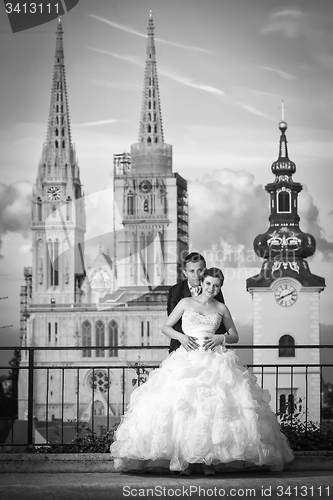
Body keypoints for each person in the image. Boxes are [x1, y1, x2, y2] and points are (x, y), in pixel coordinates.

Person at [110, 268, 294, 474]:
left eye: (216, 285)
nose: (212, 288)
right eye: (208, 284)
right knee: (185, 409)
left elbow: (235, 336)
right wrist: (180, 337)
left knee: (214, 411)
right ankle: (187, 462)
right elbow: (166, 327)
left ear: (220, 287)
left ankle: (209, 463)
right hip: (187, 357)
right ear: (202, 282)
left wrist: (220, 338)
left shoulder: (222, 308)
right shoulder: (186, 303)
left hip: (214, 358)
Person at [167, 252, 227, 353]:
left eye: (200, 270)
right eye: (192, 271)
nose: (196, 275)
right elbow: (173, 322)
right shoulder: (175, 291)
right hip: (182, 347)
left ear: (205, 270)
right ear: (185, 273)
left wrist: (210, 339)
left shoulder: (214, 289)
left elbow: (221, 319)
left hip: (210, 349)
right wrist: (188, 340)